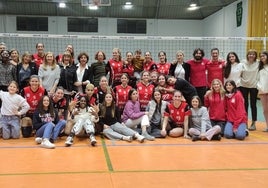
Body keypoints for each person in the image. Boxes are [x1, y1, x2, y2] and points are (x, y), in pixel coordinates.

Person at [240, 49, 259, 131]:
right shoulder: (242, 62)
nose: (251, 55)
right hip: (243, 85)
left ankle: (253, 123)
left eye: (253, 54)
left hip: (254, 86)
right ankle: (245, 122)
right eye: (249, 54)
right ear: (247, 55)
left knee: (253, 104)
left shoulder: (258, 63)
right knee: (245, 104)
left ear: (255, 56)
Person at [257, 51, 268, 132]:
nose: (262, 57)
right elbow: (257, 79)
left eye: (263, 56)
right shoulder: (259, 67)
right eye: (260, 56)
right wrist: (259, 87)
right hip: (262, 91)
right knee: (265, 110)